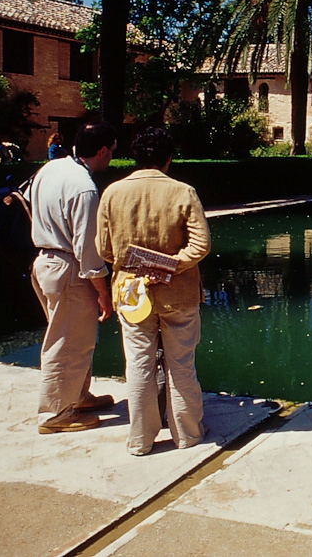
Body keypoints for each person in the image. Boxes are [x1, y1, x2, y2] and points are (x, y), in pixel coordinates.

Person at [96, 127, 211, 456]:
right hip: (178, 294)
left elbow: (104, 249)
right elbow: (200, 246)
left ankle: (140, 440)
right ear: (169, 158)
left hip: (131, 292)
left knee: (138, 365)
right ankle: (187, 434)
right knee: (181, 364)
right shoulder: (183, 192)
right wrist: (167, 268)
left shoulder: (113, 193)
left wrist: (142, 268)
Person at [27, 122, 117, 433]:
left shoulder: (50, 169)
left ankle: (77, 395)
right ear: (103, 150)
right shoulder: (85, 188)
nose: (112, 159)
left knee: (75, 338)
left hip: (45, 261)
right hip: (68, 268)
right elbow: (87, 250)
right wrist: (103, 291)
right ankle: (54, 415)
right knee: (66, 343)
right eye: (112, 152)